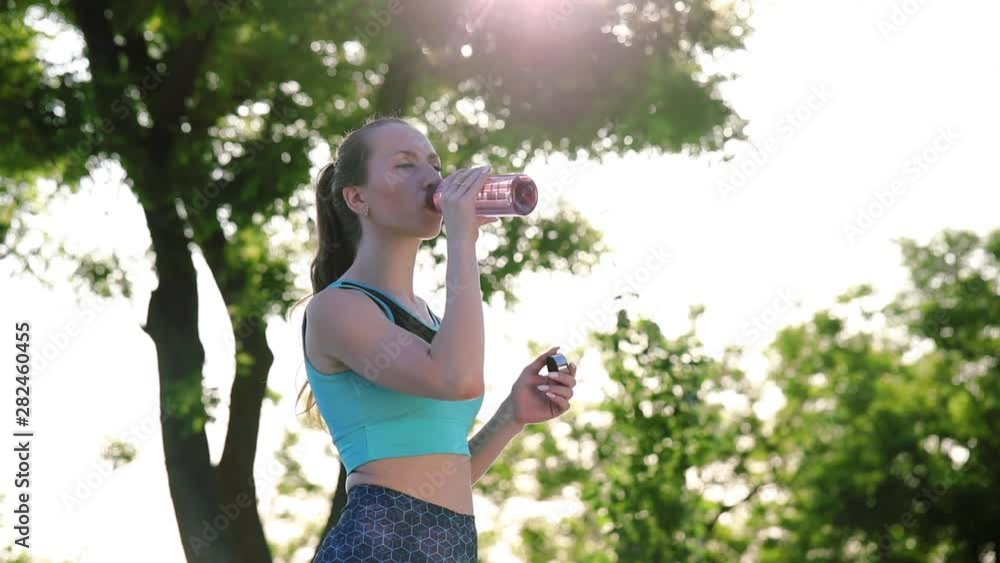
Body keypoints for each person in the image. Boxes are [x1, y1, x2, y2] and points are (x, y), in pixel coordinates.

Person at [294, 116, 578, 562]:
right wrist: (462, 239)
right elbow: (456, 379)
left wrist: (512, 415)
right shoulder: (336, 309)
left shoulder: (426, 317)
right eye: (405, 165)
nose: (431, 177)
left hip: (449, 545)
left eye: (434, 163)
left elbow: (444, 476)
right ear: (357, 198)